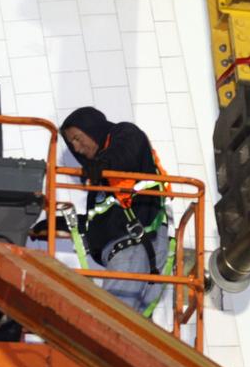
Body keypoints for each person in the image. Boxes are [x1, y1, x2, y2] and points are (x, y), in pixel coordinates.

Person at [60, 106, 172, 314]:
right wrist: (58, 223)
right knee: (130, 327)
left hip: (133, 245)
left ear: (92, 128)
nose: (76, 148)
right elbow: (105, 218)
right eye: (71, 143)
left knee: (112, 321)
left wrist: (103, 163)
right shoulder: (101, 179)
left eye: (77, 138)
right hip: (131, 249)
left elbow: (125, 152)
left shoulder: (125, 134)